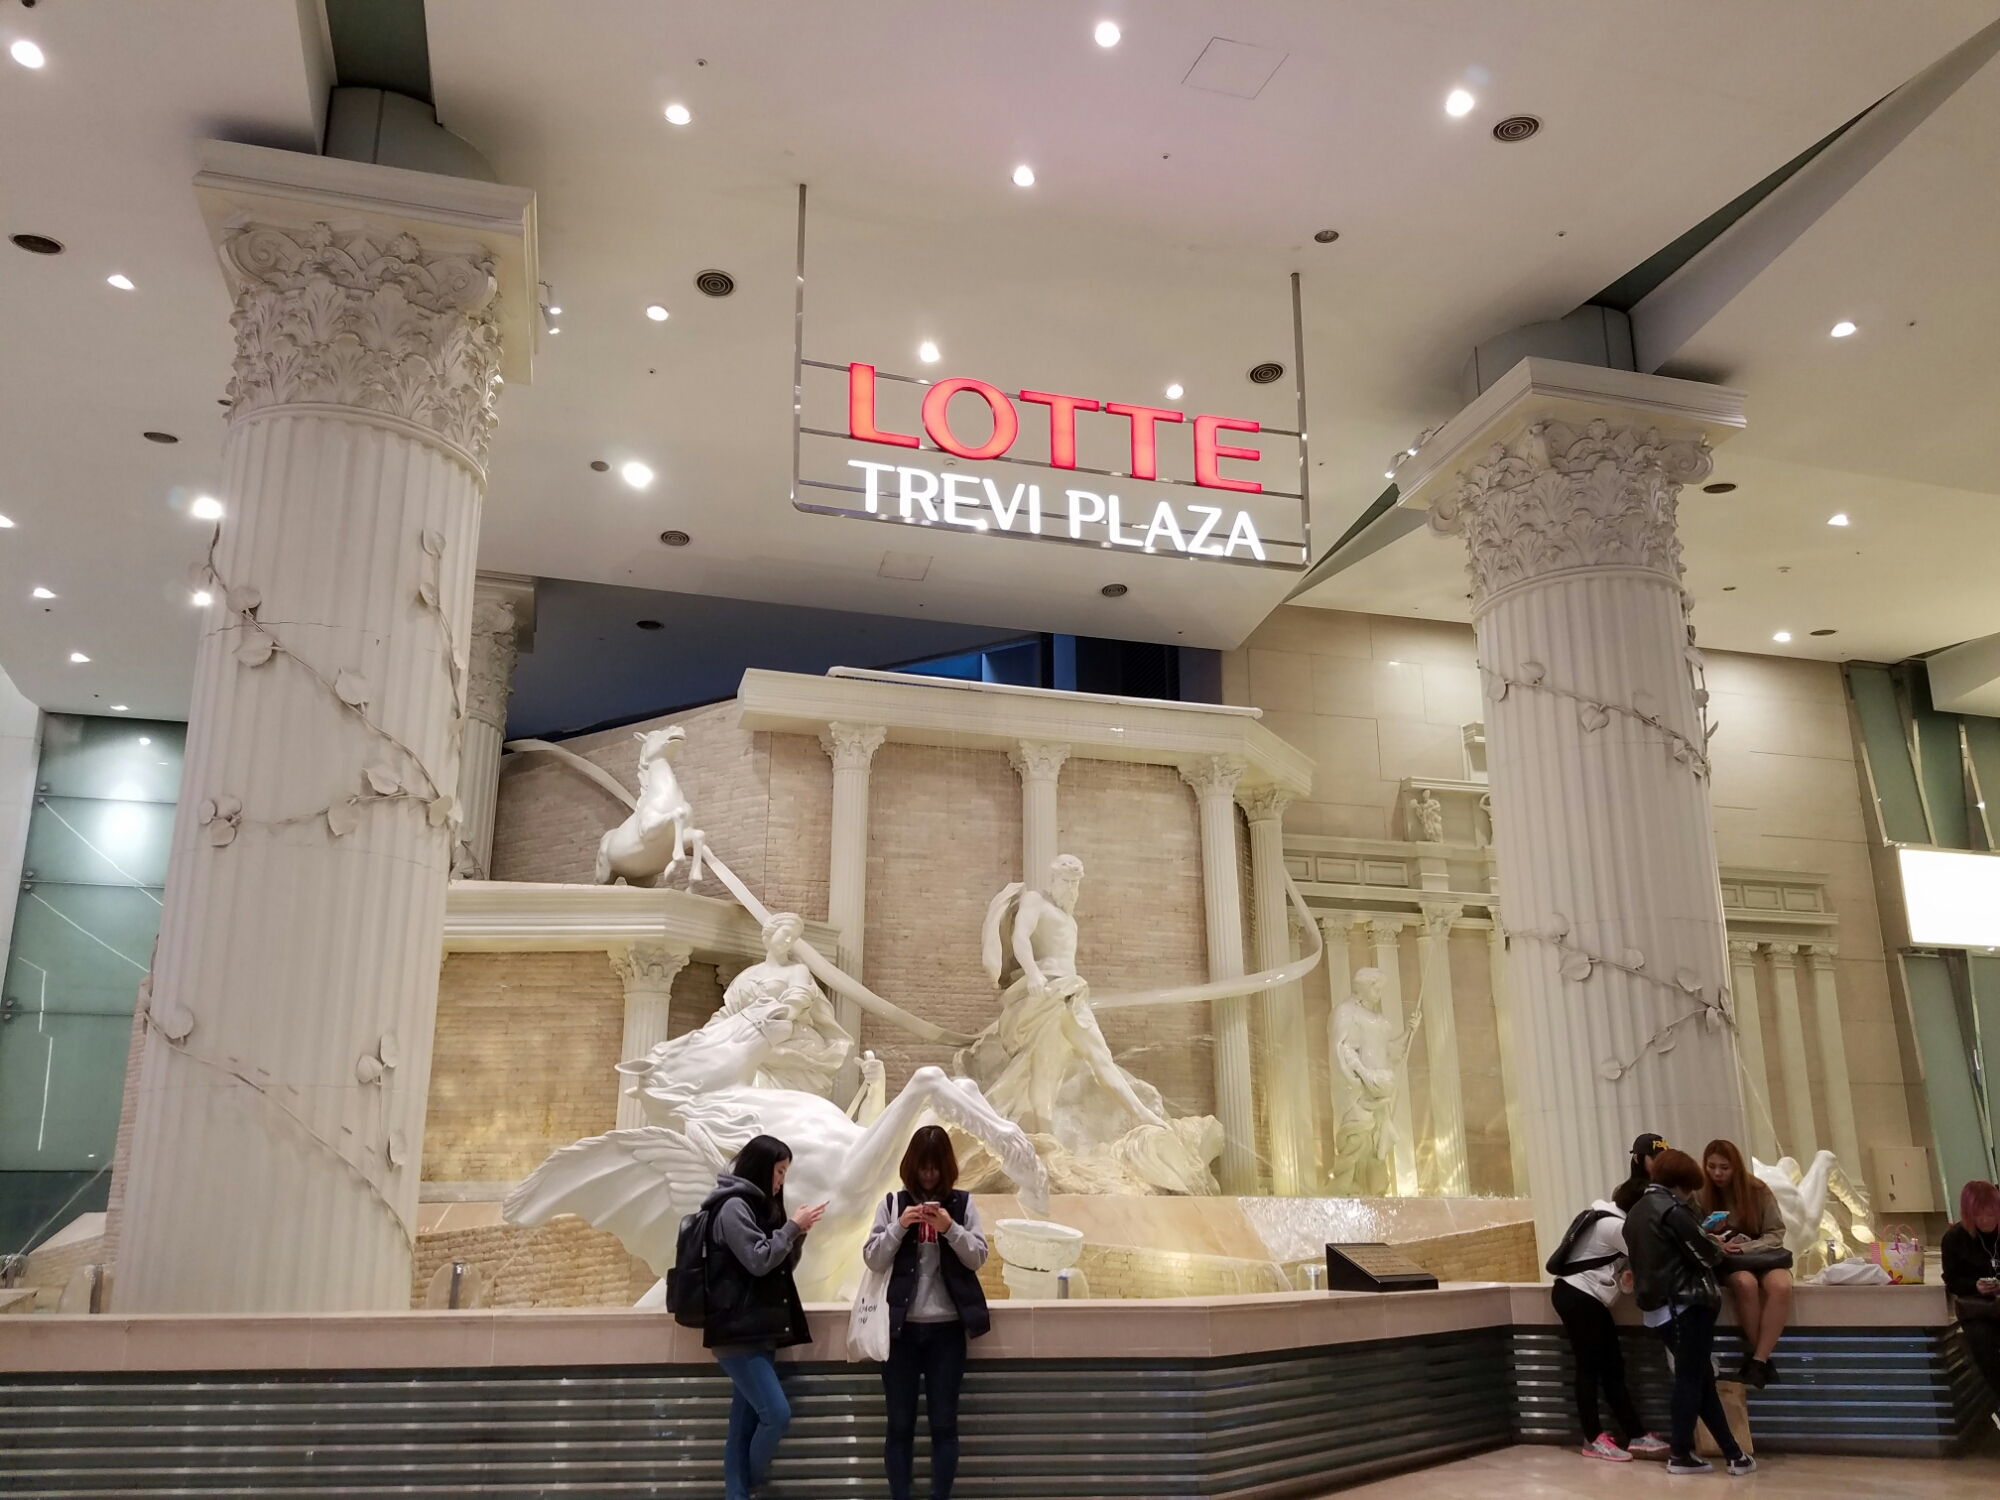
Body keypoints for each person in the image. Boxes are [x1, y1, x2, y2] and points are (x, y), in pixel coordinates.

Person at [863, 1125, 992, 1500]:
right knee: (899, 1426)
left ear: (946, 1167)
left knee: (944, 1425)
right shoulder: (892, 1204)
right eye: (923, 1166)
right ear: (912, 1166)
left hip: (947, 1332)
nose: (930, 1174)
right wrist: (900, 1226)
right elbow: (872, 1258)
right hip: (899, 1332)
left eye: (936, 1167)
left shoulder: (962, 1205)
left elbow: (978, 1256)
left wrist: (950, 1228)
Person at [701, 1134, 826, 1500]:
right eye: (779, 1171)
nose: (781, 1180)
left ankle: (738, 1494)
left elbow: (777, 1267)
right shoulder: (733, 1207)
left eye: (785, 1172)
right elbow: (758, 1260)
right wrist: (790, 1229)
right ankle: (749, 1484)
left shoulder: (755, 1207)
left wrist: (796, 1235)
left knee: (741, 1428)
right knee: (776, 1414)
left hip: (755, 1330)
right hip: (738, 1332)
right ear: (761, 1167)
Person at [1624, 1147, 1755, 1477]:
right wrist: (1714, 1242)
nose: (1690, 1195)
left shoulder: (1636, 1211)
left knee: (1700, 1379)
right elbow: (1707, 1255)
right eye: (1689, 1188)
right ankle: (1680, 1453)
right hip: (1685, 1305)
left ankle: (1734, 1455)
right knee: (1690, 1380)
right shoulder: (1672, 1210)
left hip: (1659, 1309)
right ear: (1681, 1184)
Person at [1548, 1175, 1669, 1462]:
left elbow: (1622, 1271)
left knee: (1612, 1367)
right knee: (1589, 1368)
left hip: (1583, 1298)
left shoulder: (1608, 1219)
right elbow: (1653, 1256)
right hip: (1579, 1298)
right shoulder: (1616, 1226)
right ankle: (1593, 1438)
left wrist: (1627, 1277)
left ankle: (1635, 1434)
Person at [1699, 1138, 1792, 1388]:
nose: (1717, 1173)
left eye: (1724, 1167)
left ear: (1736, 1167)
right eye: (1711, 1167)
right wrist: (1714, 1239)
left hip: (1762, 1254)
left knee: (1781, 1286)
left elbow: (1776, 1232)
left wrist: (1745, 1247)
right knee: (1745, 1284)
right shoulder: (1700, 1192)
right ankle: (1761, 1360)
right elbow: (1692, 1234)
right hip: (1729, 1261)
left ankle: (1758, 1360)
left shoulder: (1757, 1190)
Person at [1940, 1178, 2000, 1431]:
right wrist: (1976, 1285)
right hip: (1977, 1310)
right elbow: (1953, 1280)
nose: (1985, 1220)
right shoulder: (1955, 1239)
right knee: (1983, 1342)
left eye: (1991, 1213)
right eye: (1978, 1215)